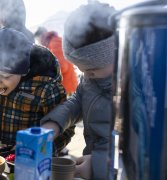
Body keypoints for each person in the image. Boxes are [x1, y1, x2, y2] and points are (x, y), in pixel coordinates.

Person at [41, 2, 117, 179]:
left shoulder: (136, 86)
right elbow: (76, 101)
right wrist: (54, 124)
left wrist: (100, 164)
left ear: (116, 51)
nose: (87, 75)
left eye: (92, 70)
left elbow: (139, 146)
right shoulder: (90, 79)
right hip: (93, 159)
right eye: (81, 70)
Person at [0, 28, 73, 154]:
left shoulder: (46, 88)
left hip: (29, 158)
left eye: (5, 76)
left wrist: (40, 151)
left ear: (23, 72)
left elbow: (65, 129)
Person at [34, 27, 78, 96]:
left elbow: (62, 66)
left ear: (41, 36)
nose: (38, 42)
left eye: (37, 40)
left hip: (67, 88)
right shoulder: (51, 43)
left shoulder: (55, 43)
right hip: (65, 86)